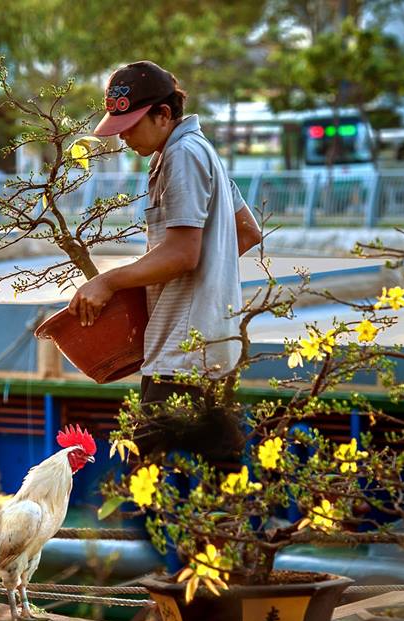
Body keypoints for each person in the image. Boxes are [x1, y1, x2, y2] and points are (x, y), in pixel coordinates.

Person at [69, 61, 261, 413]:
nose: (123, 136)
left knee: (143, 462)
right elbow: (247, 231)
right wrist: (204, 283)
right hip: (213, 345)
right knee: (218, 466)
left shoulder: (181, 154)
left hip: (181, 355)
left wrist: (109, 283)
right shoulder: (200, 150)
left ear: (162, 114)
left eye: (130, 126)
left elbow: (181, 254)